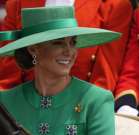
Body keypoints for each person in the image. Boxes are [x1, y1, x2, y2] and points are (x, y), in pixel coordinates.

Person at [0, 6, 120, 135]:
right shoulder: (5, 102)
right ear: (33, 49)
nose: (69, 51)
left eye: (73, 42)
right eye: (58, 43)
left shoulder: (96, 100)